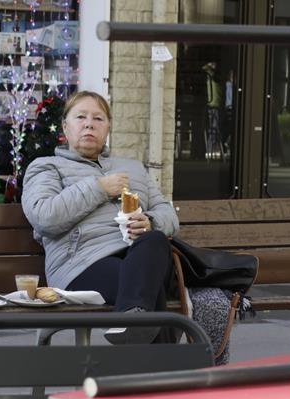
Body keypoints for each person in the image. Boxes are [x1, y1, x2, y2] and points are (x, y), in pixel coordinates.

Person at [21, 90, 179, 344]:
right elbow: (44, 216)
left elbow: (168, 214)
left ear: (107, 128)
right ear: (65, 126)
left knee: (155, 240)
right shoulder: (46, 167)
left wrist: (150, 220)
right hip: (81, 263)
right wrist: (99, 188)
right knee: (148, 288)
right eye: (80, 117)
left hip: (138, 254)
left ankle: (133, 327)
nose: (89, 124)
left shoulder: (133, 168)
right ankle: (164, 373)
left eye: (98, 118)